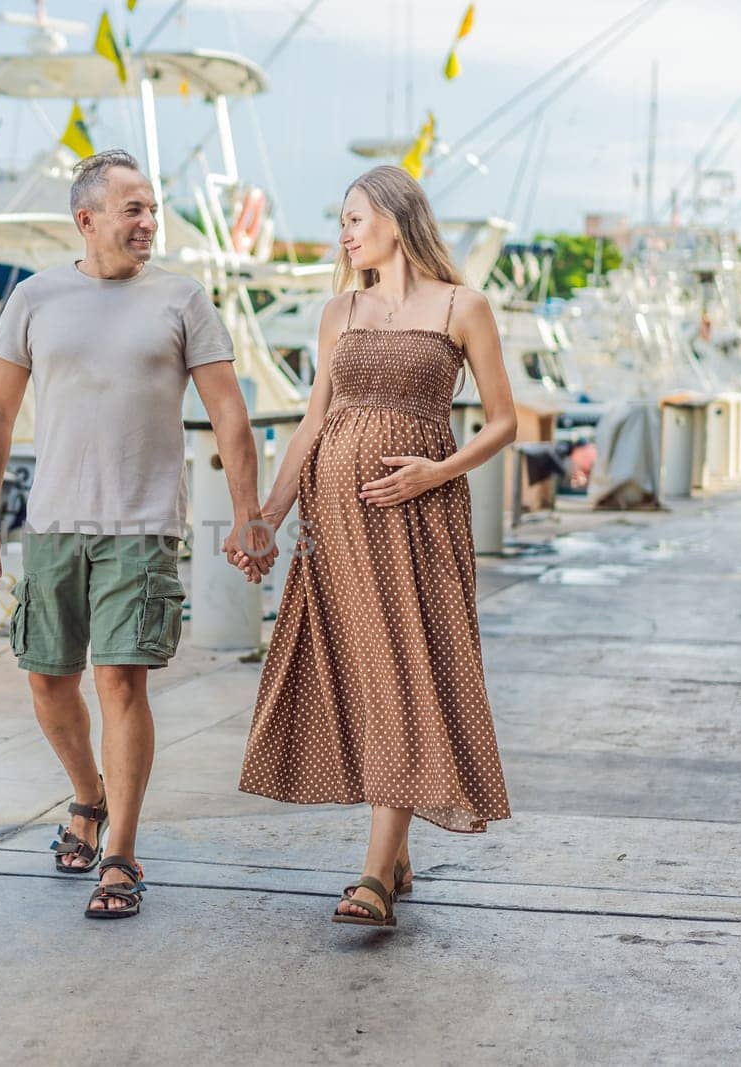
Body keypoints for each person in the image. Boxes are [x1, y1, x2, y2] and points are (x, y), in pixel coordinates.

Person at [0, 149, 276, 919]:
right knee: (47, 680)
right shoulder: (35, 298)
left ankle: (122, 854)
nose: (148, 222)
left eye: (150, 208)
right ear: (88, 219)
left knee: (121, 680)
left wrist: (249, 512)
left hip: (140, 527)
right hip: (53, 524)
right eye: (132, 209)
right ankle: (87, 796)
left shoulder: (182, 299)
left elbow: (230, 414)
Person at [233, 165, 514, 928]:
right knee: (360, 676)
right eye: (342, 221)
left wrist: (436, 471)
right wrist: (266, 515)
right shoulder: (339, 313)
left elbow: (501, 422)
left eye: (355, 217)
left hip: (417, 521)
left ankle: (372, 878)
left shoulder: (463, 306)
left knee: (403, 671)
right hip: (336, 523)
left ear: (396, 216)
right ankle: (394, 847)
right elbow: (313, 423)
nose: (345, 232)